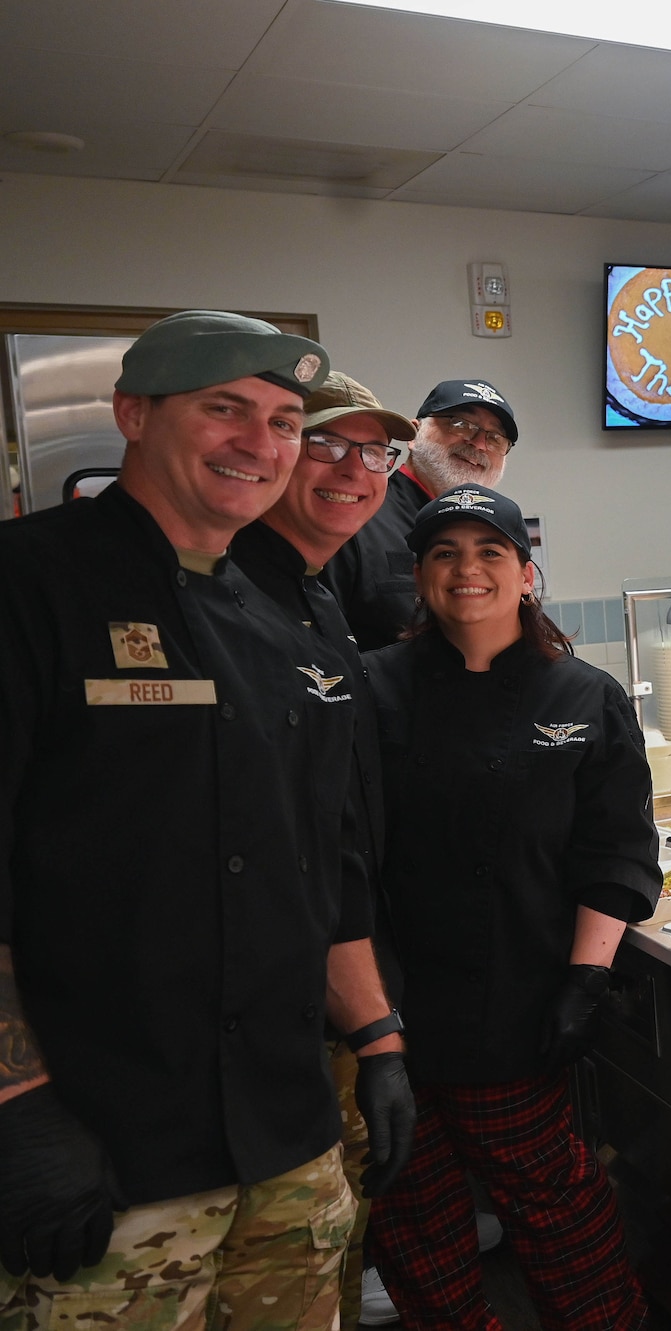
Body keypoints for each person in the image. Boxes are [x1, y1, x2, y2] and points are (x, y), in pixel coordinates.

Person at [0, 311, 411, 1329]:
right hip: (110, 1150)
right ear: (133, 414)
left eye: (282, 421)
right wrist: (17, 1106)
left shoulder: (280, 630)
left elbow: (320, 863)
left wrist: (377, 1036)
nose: (258, 442)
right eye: (224, 408)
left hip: (288, 1137)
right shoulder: (27, 584)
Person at [363, 483, 659, 1331]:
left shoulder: (583, 695)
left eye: (490, 551)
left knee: (553, 1196)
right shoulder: (370, 687)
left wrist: (585, 979)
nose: (468, 570)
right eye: (445, 553)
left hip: (516, 998)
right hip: (389, 1002)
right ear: (419, 575)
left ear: (526, 573)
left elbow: (616, 846)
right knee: (411, 1204)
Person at [228, 372, 417, 1329]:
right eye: (326, 444)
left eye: (374, 451)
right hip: (249, 1030)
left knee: (327, 1256)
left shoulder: (315, 598)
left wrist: (372, 1029)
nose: (353, 469)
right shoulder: (225, 598)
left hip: (333, 998)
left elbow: (334, 826)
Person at [325, 378, 519, 651]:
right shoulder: (357, 518)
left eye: (495, 438)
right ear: (414, 435)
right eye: (461, 424)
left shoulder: (500, 533)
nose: (479, 444)